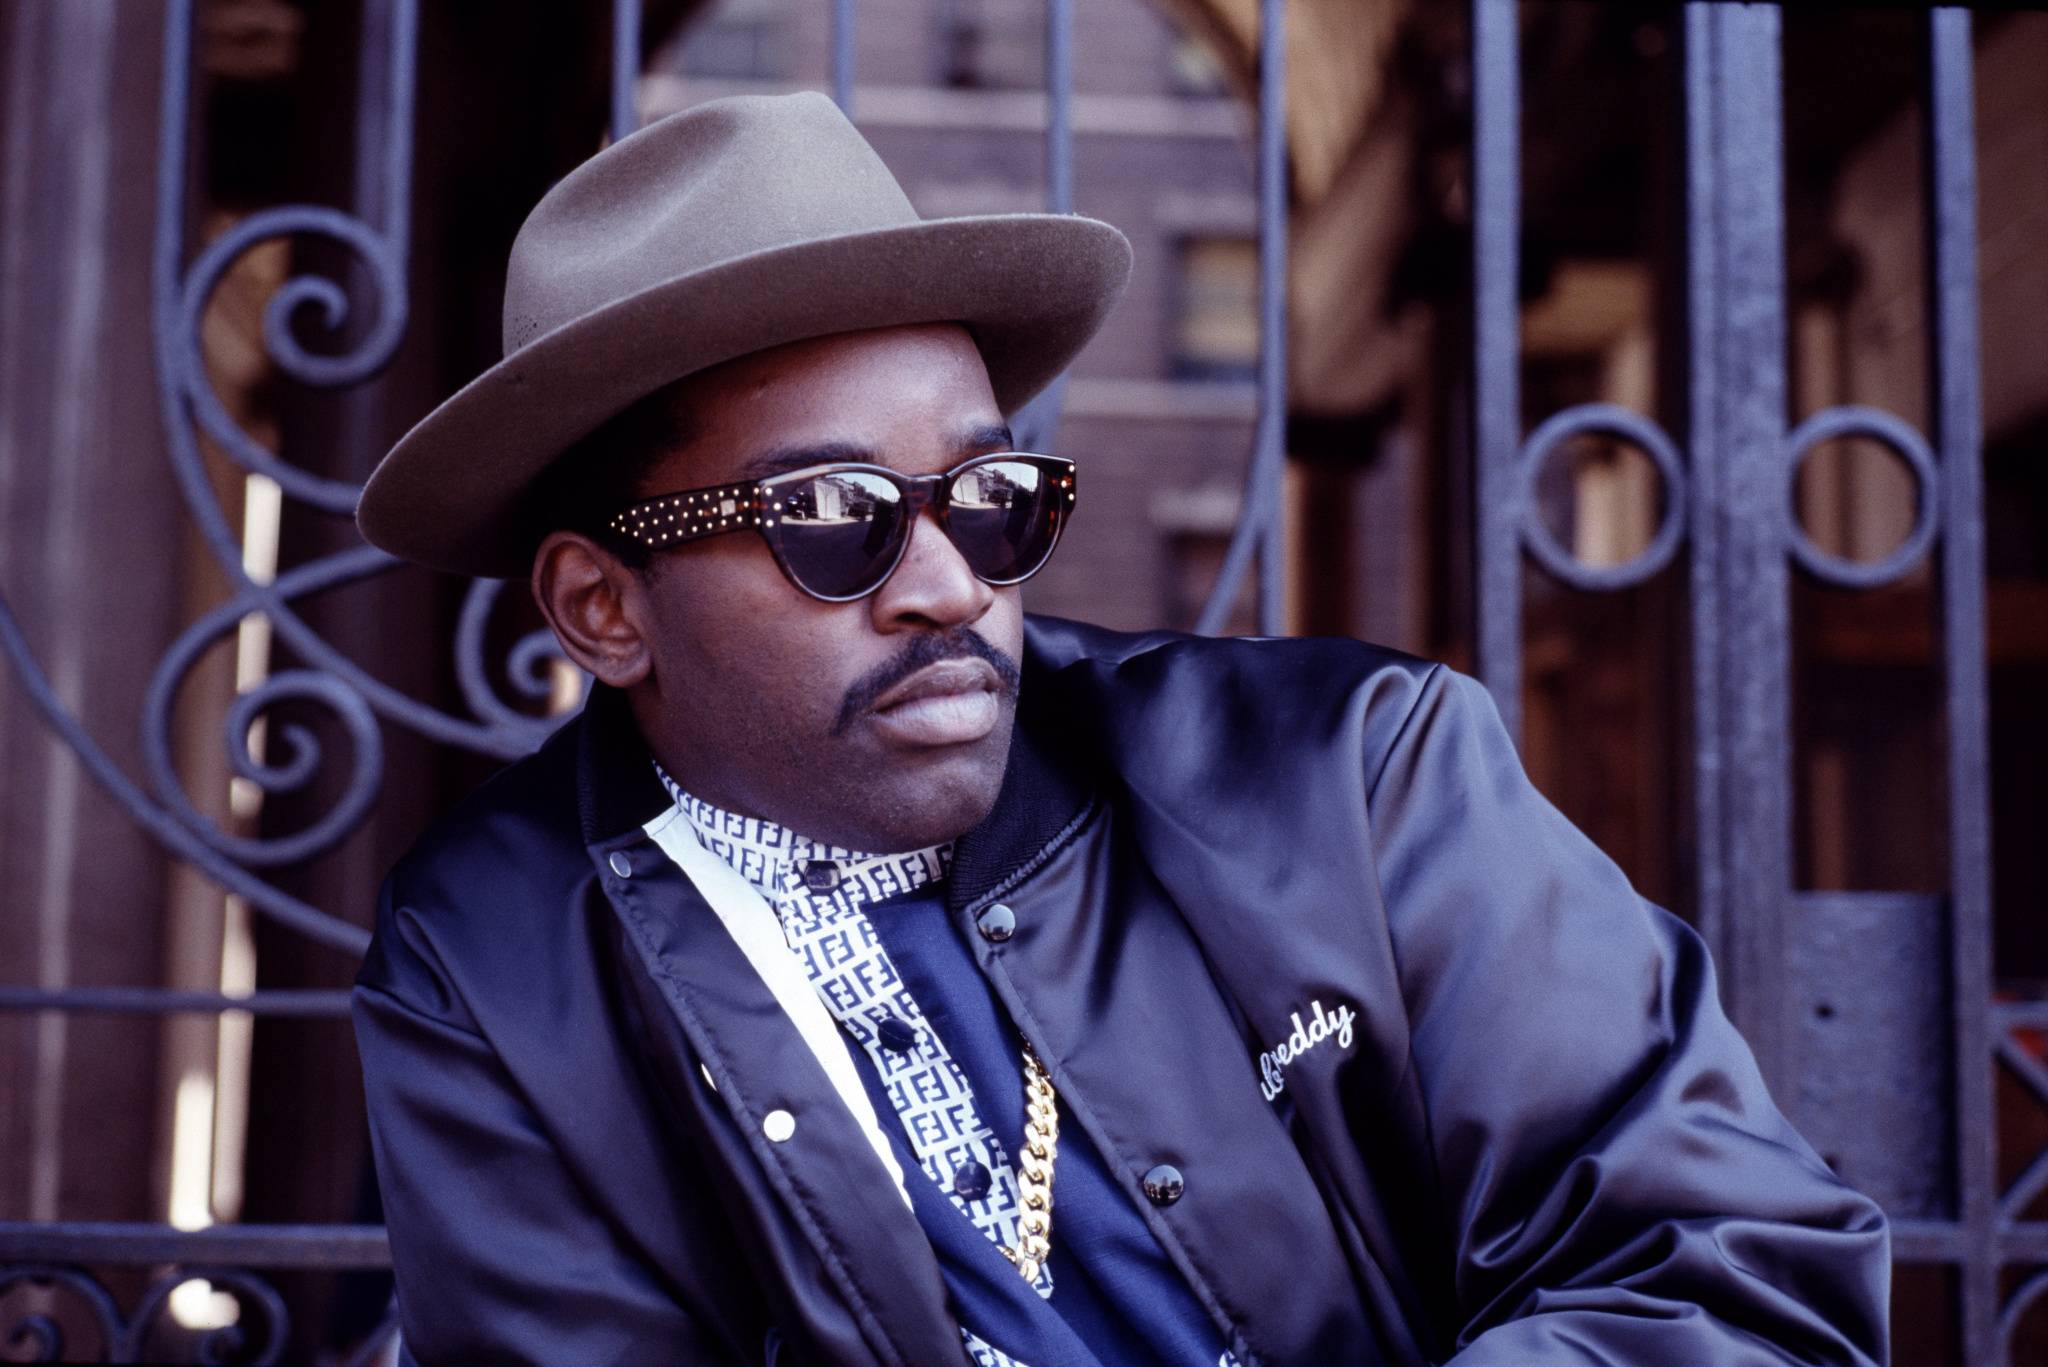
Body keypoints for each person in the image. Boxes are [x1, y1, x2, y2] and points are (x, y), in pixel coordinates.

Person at [351, 92, 1887, 1367]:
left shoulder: (1349, 780)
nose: (951, 585)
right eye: (833, 517)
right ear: (602, 609)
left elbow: (1736, 1279)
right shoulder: (487, 964)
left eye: (989, 499)